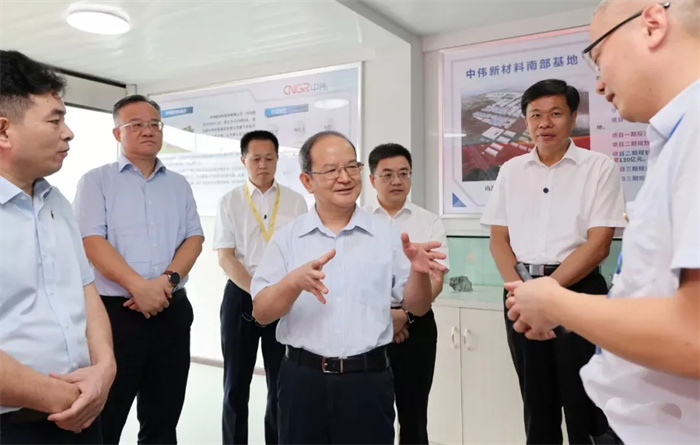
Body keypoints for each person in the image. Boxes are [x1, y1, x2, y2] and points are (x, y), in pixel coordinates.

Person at [505, 1, 700, 444]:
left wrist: (555, 301)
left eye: (598, 56)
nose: (598, 82)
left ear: (652, 25)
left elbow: (693, 333)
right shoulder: (678, 137)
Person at [250, 130, 446, 445]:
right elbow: (261, 312)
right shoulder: (288, 238)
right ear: (307, 181)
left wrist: (420, 273)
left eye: (351, 167)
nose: (345, 177)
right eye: (331, 170)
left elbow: (417, 306)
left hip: (367, 382)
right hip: (302, 382)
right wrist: (293, 282)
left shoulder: (386, 235)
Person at [481, 79, 626, 445]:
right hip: (520, 293)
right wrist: (522, 294)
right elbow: (498, 240)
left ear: (573, 117)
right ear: (526, 121)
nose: (545, 123)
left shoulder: (600, 167)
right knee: (536, 402)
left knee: (585, 403)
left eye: (556, 113)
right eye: (536, 115)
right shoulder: (510, 170)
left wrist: (545, 294)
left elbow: (599, 245)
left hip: (580, 293)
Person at [73, 95, 205, 445]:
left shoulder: (179, 184)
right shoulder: (96, 181)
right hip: (116, 316)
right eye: (136, 124)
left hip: (171, 311)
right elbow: (91, 242)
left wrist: (166, 282)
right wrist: (139, 287)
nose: (148, 131)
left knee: (163, 419)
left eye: (154, 124)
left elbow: (194, 238)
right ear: (117, 133)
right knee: (106, 417)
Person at [0, 50, 115, 444]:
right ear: (3, 131)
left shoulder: (57, 203)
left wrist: (105, 368)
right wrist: (61, 397)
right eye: (55, 120)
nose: (68, 133)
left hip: (83, 414)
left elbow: (86, 293)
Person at [214, 130, 308, 445]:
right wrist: (257, 292)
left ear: (278, 159)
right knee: (235, 386)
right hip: (241, 296)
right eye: (256, 158)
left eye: (269, 158)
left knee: (281, 385)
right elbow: (226, 257)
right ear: (243, 160)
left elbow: (302, 253)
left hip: (284, 298)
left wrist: (277, 294)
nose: (263, 164)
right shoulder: (230, 202)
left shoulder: (295, 202)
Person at [363, 143, 448, 445]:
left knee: (414, 416)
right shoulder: (357, 221)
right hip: (368, 327)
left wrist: (405, 316)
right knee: (372, 416)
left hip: (417, 327)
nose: (396, 181)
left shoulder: (429, 221)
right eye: (387, 174)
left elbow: (436, 279)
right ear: (372, 179)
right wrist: (387, 317)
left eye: (403, 173)